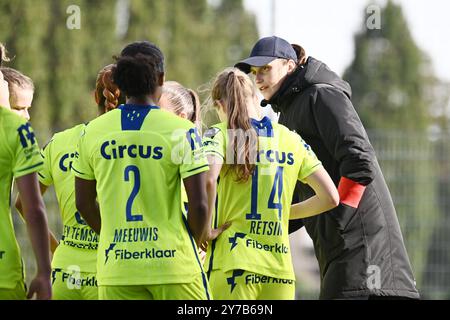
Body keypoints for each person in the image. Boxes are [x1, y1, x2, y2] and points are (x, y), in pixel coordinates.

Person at [235, 36, 420, 300]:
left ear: (289, 66)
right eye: (254, 72)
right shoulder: (288, 113)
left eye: (265, 68)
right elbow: (299, 198)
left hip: (366, 258)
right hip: (340, 252)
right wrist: (253, 226)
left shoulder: (321, 94)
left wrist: (339, 215)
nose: (258, 78)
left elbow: (360, 160)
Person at [73, 41, 224, 300]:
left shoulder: (92, 132)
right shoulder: (181, 130)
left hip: (117, 269)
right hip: (174, 267)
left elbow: (84, 203)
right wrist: (194, 239)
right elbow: (199, 205)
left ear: (119, 81)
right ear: (161, 79)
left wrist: (113, 237)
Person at [202, 67, 339, 300]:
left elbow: (207, 178)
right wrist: (284, 212)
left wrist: (203, 228)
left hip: (234, 266)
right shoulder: (290, 139)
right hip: (280, 273)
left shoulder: (221, 134)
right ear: (255, 98)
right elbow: (330, 197)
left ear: (219, 106)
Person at [15, 64, 123, 300]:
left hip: (64, 273)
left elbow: (23, 203)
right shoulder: (135, 145)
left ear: (96, 97)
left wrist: (57, 248)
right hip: (112, 270)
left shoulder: (60, 141)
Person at [0, 69, 52, 300]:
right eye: (20, 108)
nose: (27, 116)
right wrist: (44, 270)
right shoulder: (17, 131)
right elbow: (33, 207)